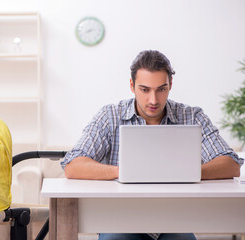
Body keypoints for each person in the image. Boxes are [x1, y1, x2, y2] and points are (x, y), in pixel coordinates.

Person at [60, 50, 244, 240]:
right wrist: (124, 172)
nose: (153, 100)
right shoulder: (109, 116)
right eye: (145, 90)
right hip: (120, 220)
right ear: (132, 85)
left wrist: (187, 173)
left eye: (161, 89)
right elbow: (73, 165)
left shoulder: (191, 116)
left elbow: (230, 163)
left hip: (175, 222)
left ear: (170, 85)